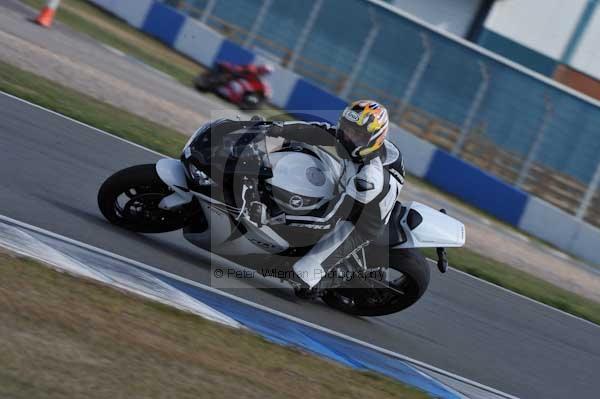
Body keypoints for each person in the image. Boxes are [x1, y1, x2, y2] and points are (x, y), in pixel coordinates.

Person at [269, 100, 405, 294]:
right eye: (347, 128)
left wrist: (279, 218)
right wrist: (279, 128)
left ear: (373, 138)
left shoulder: (369, 177)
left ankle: (335, 279)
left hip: (357, 222)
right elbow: (321, 132)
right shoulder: (366, 145)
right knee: (298, 148)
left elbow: (330, 219)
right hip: (349, 183)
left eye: (356, 134)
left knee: (302, 278)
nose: (347, 137)